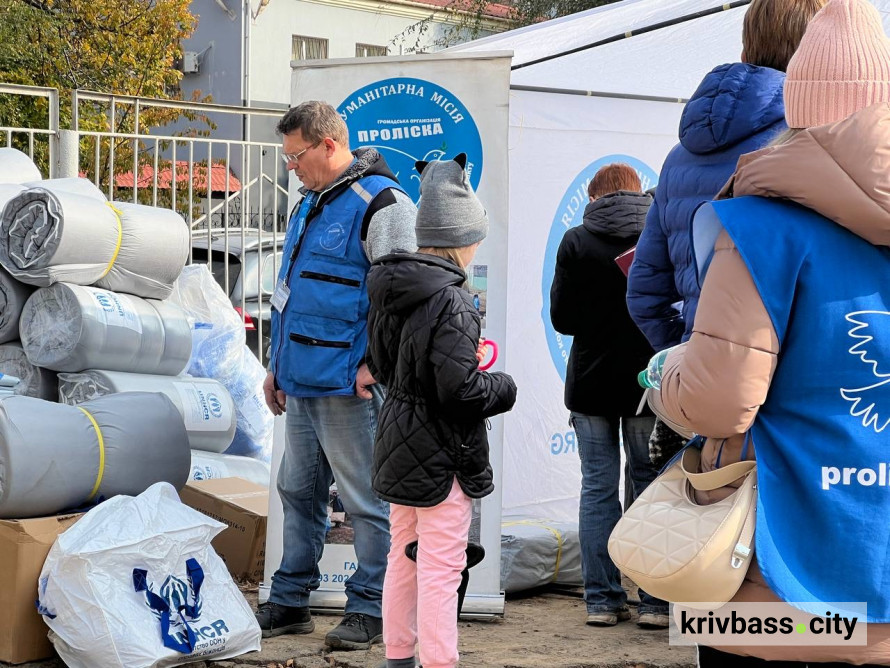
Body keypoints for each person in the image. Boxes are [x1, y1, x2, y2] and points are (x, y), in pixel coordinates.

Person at [651, 0, 890, 664]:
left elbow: (720, 400)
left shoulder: (757, 227)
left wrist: (665, 376)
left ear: (801, 103)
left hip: (774, 577)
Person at [258, 101, 417, 649]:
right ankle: (290, 600)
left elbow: (405, 296)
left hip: (350, 386)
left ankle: (373, 608)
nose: (291, 167)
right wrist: (276, 366)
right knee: (297, 491)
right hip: (300, 381)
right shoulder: (308, 203)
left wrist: (378, 365)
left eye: (296, 155)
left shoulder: (383, 203)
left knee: (367, 502)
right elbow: (291, 295)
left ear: (329, 145)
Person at [366, 154, 517, 668]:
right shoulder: (454, 302)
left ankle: (398, 658)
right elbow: (459, 391)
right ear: (462, 239)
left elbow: (383, 367)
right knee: (440, 567)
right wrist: (504, 386)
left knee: (402, 558)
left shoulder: (391, 289)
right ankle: (439, 662)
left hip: (397, 440)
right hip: (442, 452)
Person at [626, 0, 826, 352]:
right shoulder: (813, 141)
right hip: (789, 386)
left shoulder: (677, 159)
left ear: (747, 45)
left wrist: (690, 353)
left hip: (701, 386)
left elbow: (645, 294)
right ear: (819, 51)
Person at [549, 163, 666, 629]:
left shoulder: (576, 241)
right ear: (637, 192)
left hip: (591, 385)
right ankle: (655, 603)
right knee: (648, 486)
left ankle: (601, 599)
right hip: (646, 386)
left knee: (597, 489)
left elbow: (562, 319)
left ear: (593, 197)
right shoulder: (658, 232)